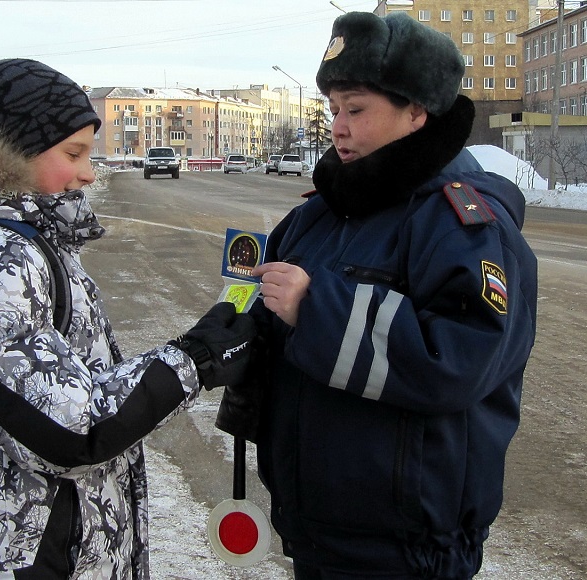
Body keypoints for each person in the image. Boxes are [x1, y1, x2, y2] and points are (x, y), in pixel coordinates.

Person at [0, 58, 255, 579]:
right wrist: (195, 359)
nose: (89, 173)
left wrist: (195, 349)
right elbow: (68, 429)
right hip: (15, 553)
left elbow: (63, 382)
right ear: (13, 151)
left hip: (36, 542)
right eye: (73, 153)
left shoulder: (14, 234)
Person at [217, 11, 538, 579]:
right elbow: (269, 324)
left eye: (356, 109)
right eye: (334, 110)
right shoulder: (315, 216)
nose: (339, 127)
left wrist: (314, 307)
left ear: (417, 111)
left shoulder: (464, 224)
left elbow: (459, 359)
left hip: (406, 550)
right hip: (316, 528)